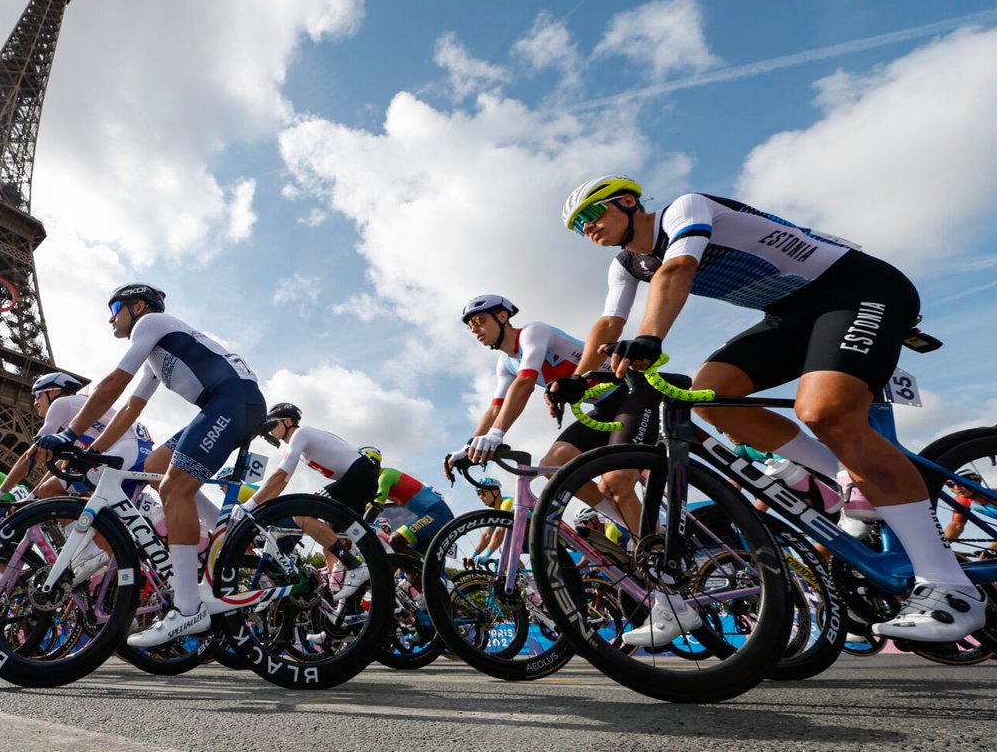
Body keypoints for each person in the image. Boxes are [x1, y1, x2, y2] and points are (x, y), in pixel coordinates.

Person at [562, 174, 982, 643]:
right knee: (715, 396)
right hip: (791, 313)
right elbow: (608, 322)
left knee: (823, 411)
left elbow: (677, 269)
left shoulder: (686, 207)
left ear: (626, 202)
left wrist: (651, 338)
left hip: (858, 288)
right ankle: (841, 478)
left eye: (591, 215)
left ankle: (950, 587)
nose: (587, 228)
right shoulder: (626, 264)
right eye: (578, 226)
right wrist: (579, 379)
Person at [35, 283, 266, 648]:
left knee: (175, 487)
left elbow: (113, 383)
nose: (110, 316)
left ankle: (188, 608)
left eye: (114, 307)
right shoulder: (157, 352)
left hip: (232, 401)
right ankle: (222, 531)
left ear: (137, 305)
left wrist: (69, 435)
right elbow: (130, 409)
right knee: (158, 464)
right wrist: (91, 451)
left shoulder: (152, 323)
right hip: (229, 402)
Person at [442, 294, 668, 535]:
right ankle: (644, 531)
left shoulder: (533, 332)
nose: (475, 329)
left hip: (634, 393)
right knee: (553, 466)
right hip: (603, 410)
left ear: (502, 316)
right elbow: (495, 407)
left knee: (616, 482)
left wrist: (497, 434)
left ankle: (655, 545)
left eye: (479, 319)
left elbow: (525, 383)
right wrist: (470, 446)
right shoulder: (506, 363)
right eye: (470, 326)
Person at [242, 404, 380, 603]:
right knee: (332, 544)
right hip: (358, 482)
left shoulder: (301, 434)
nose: (270, 429)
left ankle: (354, 566)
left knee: (302, 513)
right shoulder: (302, 444)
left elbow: (281, 475)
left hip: (359, 476)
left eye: (273, 423)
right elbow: (281, 484)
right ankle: (339, 603)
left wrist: (250, 504)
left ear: (287, 421)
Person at [0, 371, 155, 512]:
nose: (35, 403)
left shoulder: (61, 404)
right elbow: (61, 467)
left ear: (52, 391)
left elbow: (30, 456)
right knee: (109, 510)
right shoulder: (79, 409)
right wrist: (30, 497)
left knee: (49, 491)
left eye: (37, 396)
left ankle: (88, 553)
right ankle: (147, 515)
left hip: (125, 450)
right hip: (141, 450)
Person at [364, 455, 455, 555]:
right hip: (430, 515)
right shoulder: (375, 484)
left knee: (395, 541)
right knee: (405, 555)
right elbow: (367, 510)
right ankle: (421, 568)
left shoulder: (385, 476)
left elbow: (375, 507)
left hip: (438, 514)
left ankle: (421, 567)